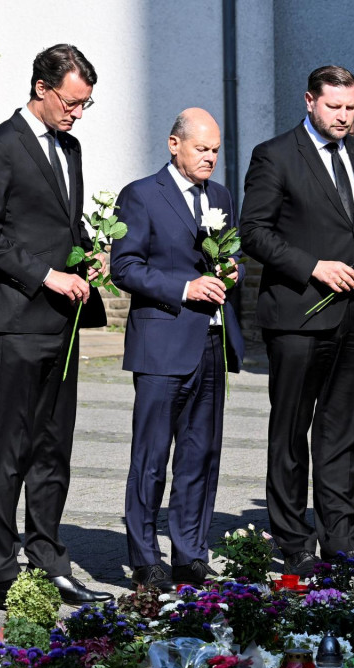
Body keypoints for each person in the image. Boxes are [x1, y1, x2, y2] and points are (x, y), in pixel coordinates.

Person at [0, 44, 111, 608]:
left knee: (54, 447)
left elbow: (64, 222)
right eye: (73, 102)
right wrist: (46, 275)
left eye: (86, 104)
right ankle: (2, 571)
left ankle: (47, 559)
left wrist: (88, 252)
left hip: (63, 322)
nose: (78, 112)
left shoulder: (69, 147)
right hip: (17, 321)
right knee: (11, 449)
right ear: (42, 89)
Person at [240, 65, 354, 577]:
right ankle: (293, 541)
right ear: (309, 101)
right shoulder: (274, 155)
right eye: (334, 107)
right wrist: (313, 266)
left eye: (350, 107)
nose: (344, 117)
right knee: (290, 434)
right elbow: (253, 232)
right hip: (298, 315)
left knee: (344, 434)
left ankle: (341, 540)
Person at [111, 108, 245, 590]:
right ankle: (145, 558)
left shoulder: (223, 196)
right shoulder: (141, 195)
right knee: (151, 457)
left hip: (211, 342)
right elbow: (123, 268)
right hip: (162, 343)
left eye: (215, 149)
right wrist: (186, 288)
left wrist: (234, 273)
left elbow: (234, 257)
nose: (210, 157)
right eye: (201, 148)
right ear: (174, 144)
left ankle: (190, 553)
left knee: (201, 455)